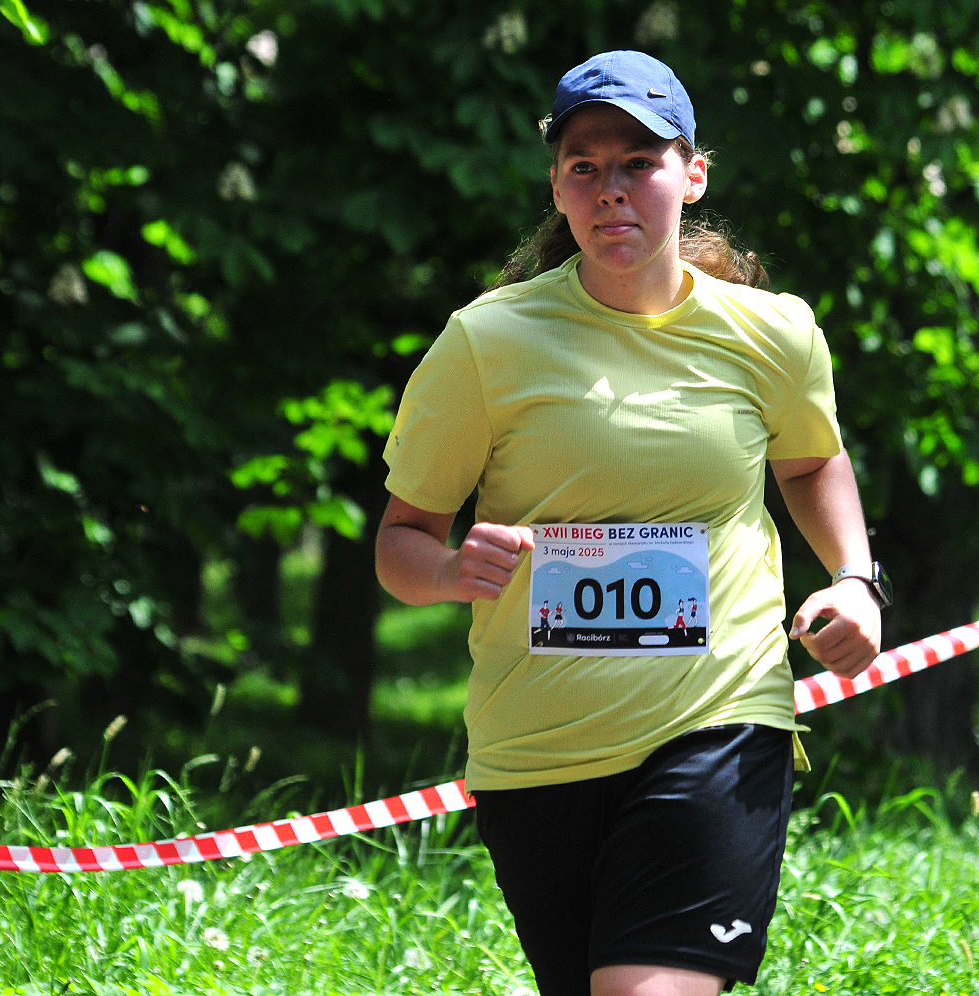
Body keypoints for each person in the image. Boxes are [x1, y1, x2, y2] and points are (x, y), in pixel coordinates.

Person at [375, 50, 886, 996]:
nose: (611, 188)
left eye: (639, 162)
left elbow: (812, 459)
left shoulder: (773, 332)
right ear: (557, 189)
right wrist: (447, 572)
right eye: (585, 166)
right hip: (538, 754)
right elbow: (401, 541)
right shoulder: (486, 343)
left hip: (718, 719)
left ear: (693, 176)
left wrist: (855, 578)